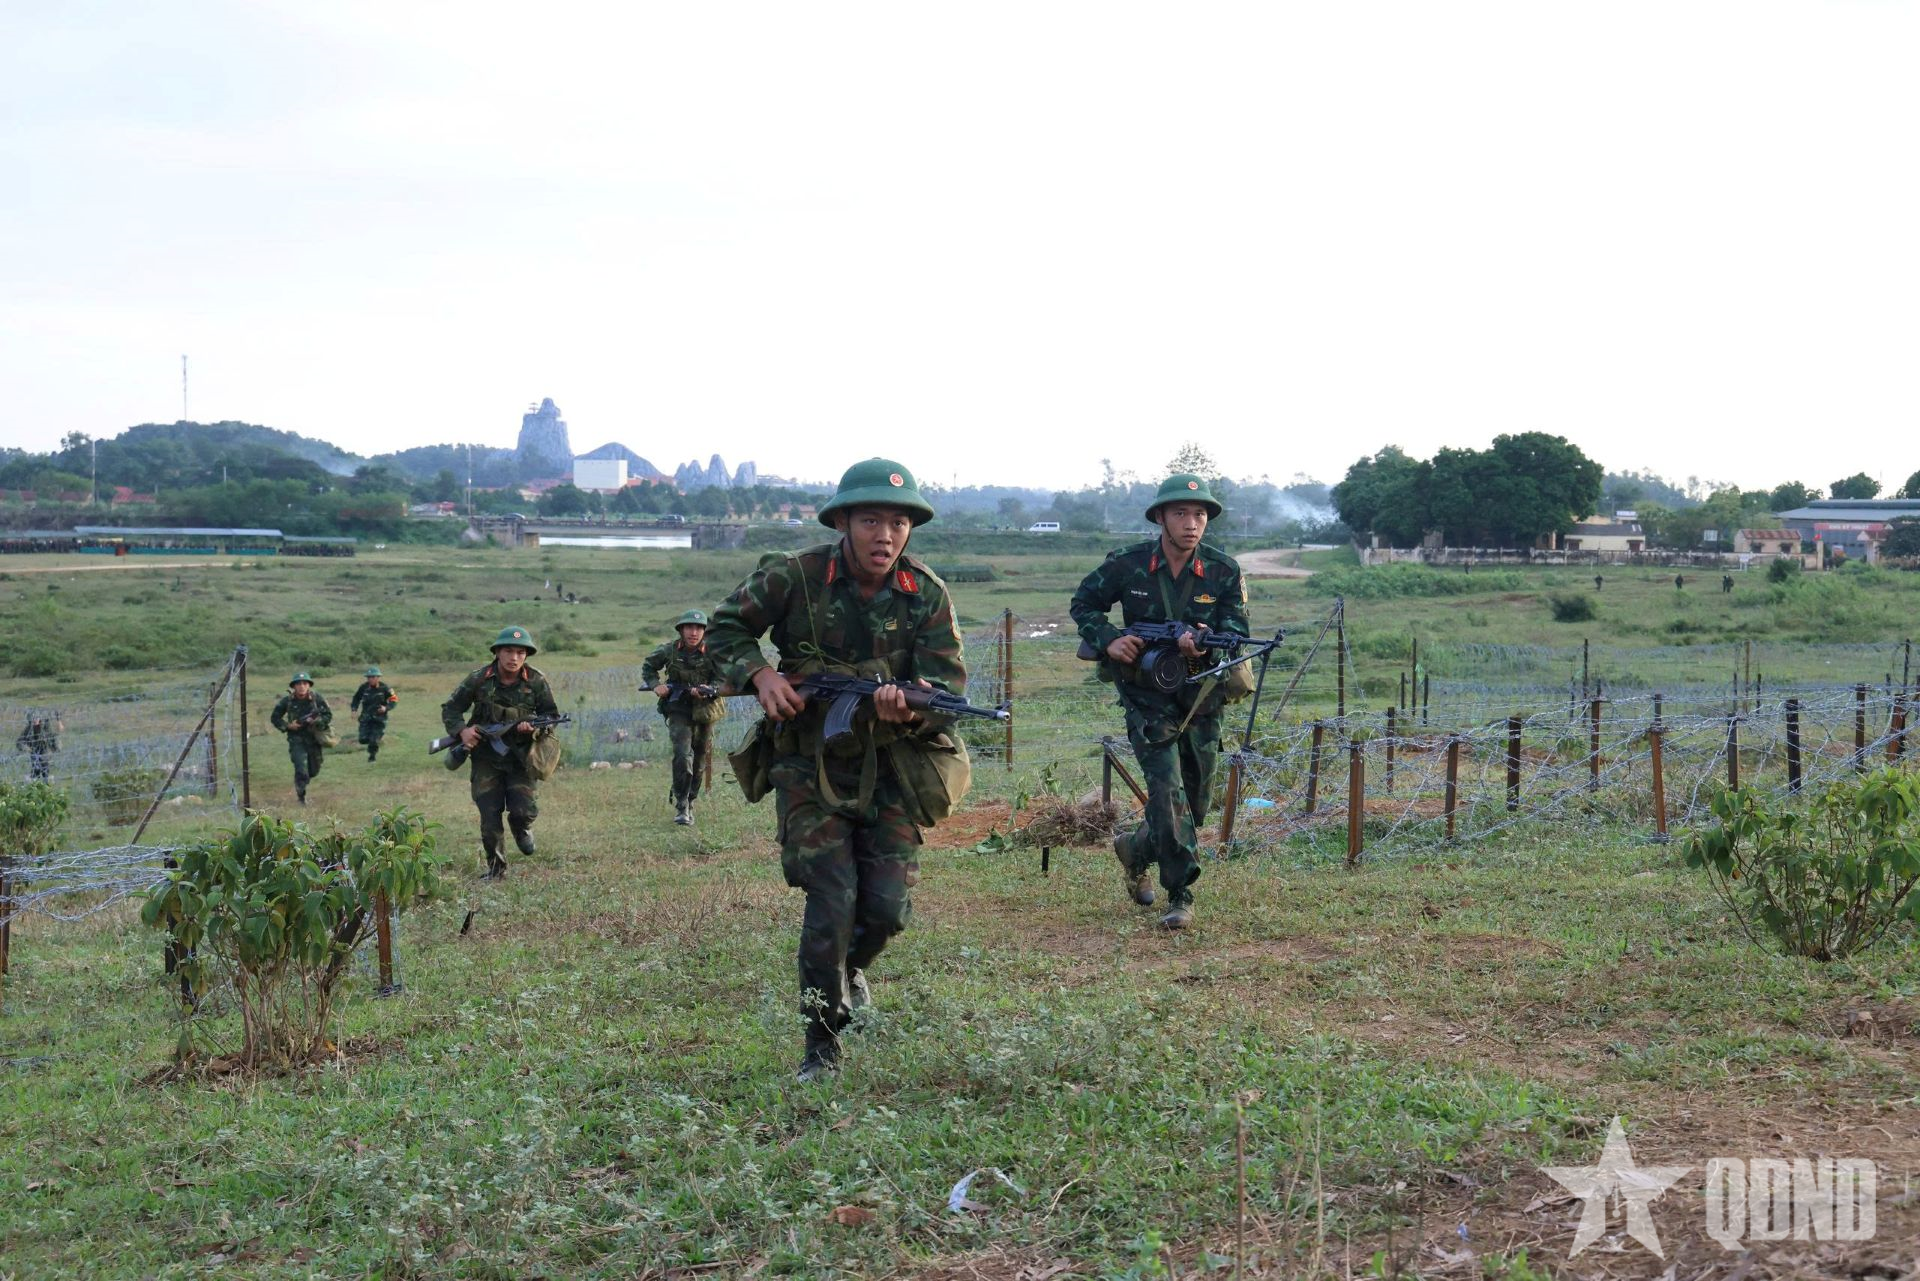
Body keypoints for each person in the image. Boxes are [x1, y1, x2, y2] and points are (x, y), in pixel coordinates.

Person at [704, 458, 967, 1082]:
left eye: (899, 522)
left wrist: (907, 709)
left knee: (888, 908)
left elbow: (949, 690)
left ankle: (851, 969)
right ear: (843, 521)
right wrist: (761, 674)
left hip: (891, 766)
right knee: (831, 897)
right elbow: (724, 628)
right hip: (807, 762)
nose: (885, 535)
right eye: (871, 519)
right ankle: (819, 1045)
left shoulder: (924, 593)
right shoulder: (795, 577)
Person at [1070, 474, 1249, 931]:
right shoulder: (1128, 565)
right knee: (1168, 795)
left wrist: (1206, 645)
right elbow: (1084, 603)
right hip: (1146, 697)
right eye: (1181, 514)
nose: (1192, 524)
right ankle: (1180, 893)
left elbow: (1237, 633)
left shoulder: (1224, 571)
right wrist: (1109, 639)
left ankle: (1135, 849)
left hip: (1203, 698)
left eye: (1200, 515)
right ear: (1160, 518)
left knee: (1196, 803)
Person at [441, 626, 560, 879]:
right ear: (497, 652)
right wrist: (463, 732)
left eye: (520, 652)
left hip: (521, 758)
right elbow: (451, 709)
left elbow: (551, 716)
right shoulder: (479, 679)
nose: (514, 657)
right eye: (508, 651)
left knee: (523, 811)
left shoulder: (536, 681)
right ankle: (496, 870)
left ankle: (522, 829)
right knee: (489, 815)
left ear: (526, 655)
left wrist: (534, 728)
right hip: (486, 758)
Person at [641, 610, 728, 825]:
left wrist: (710, 689)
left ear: (704, 631)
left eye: (699, 628)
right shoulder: (669, 650)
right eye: (689, 627)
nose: (694, 632)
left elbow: (724, 677)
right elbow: (648, 667)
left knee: (699, 760)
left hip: (705, 708)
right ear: (681, 630)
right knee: (682, 755)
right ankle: (681, 804)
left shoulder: (714, 651)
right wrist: (656, 686)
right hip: (678, 706)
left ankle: (691, 801)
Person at [269, 674, 333, 805]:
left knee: (313, 771)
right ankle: (301, 798)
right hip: (296, 739)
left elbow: (328, 715)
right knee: (300, 768)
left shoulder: (317, 699)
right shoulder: (287, 701)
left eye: (305, 683)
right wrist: (288, 726)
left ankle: (304, 780)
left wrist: (317, 721)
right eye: (298, 684)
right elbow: (275, 718)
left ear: (309, 685)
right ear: (294, 686)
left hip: (314, 739)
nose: (302, 686)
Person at [349, 667, 399, 762]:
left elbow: (394, 700)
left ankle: (372, 756)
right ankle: (372, 740)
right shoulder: (363, 687)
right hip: (365, 717)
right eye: (368, 677)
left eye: (372, 677)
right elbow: (356, 698)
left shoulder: (385, 688)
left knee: (374, 739)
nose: (370, 679)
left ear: (378, 677)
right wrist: (354, 710)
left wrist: (386, 708)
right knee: (362, 739)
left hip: (379, 718)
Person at [15, 711, 62, 783]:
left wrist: (56, 747)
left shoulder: (45, 727)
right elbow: (20, 742)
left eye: (37, 718)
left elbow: (53, 736)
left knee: (44, 768)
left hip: (45, 751)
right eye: (34, 718)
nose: (35, 720)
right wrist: (27, 749)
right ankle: (36, 783)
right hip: (34, 751)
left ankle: (45, 783)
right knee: (36, 769)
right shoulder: (28, 729)